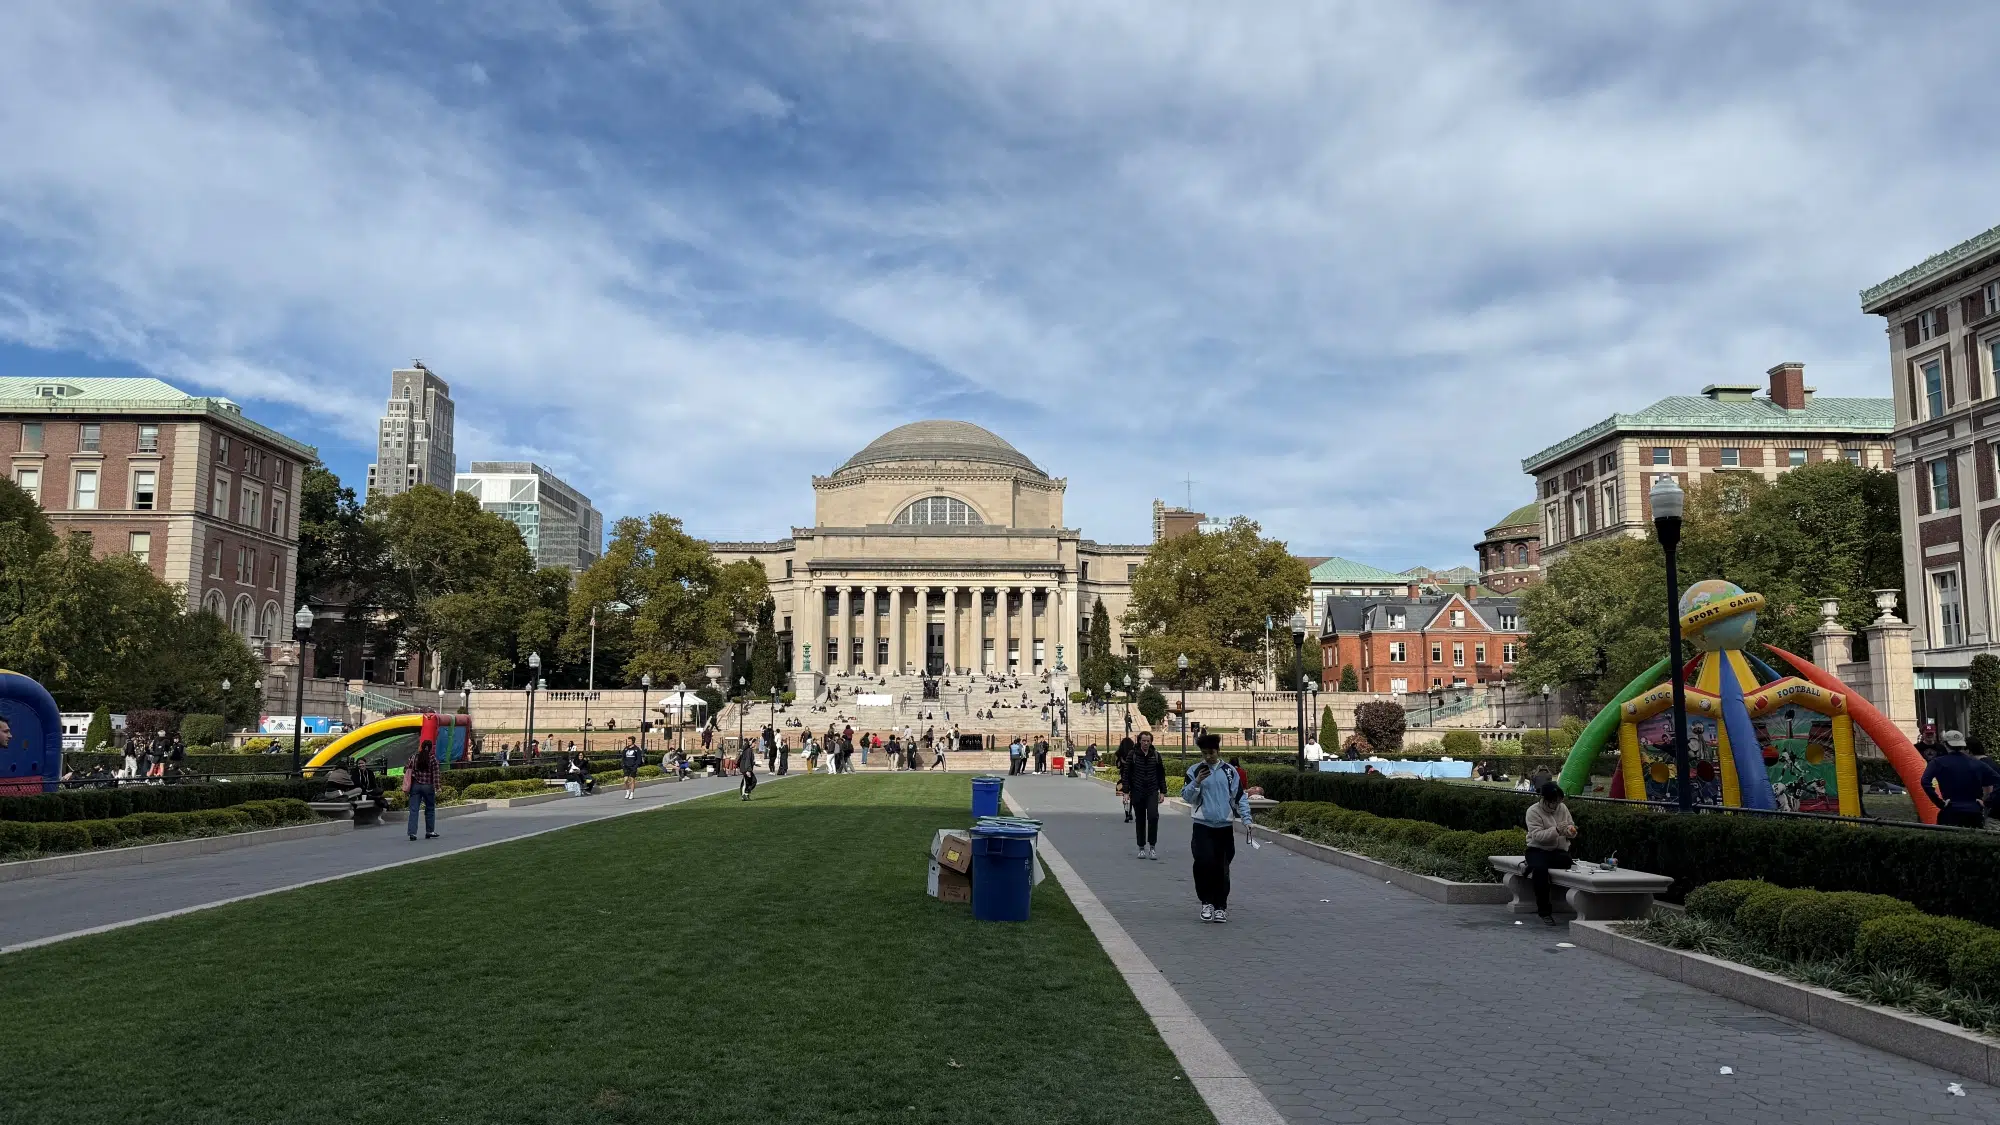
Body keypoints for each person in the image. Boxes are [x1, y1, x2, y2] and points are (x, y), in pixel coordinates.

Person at [1182, 733, 1254, 922]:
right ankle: (1206, 902)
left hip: (1224, 826)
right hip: (1202, 826)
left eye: (1211, 753)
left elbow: (1239, 797)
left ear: (1218, 751)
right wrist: (1197, 781)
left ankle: (1220, 906)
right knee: (1203, 863)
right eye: (1204, 753)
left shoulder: (1230, 771)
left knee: (1222, 867)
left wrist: (1246, 819)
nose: (1208, 757)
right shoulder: (1194, 770)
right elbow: (1187, 797)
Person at [1921, 730, 1999, 829]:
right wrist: (1987, 802)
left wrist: (1939, 802)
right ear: (1963, 745)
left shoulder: (1937, 763)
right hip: (1974, 811)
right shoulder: (1978, 764)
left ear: (1945, 744)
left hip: (1950, 809)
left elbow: (1925, 781)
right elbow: (1997, 780)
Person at [1524, 782, 1578, 923]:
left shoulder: (1562, 808)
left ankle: (1531, 865)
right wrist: (1557, 830)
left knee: (1567, 861)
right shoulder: (1533, 811)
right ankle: (1544, 911)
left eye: (1559, 802)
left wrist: (1570, 831)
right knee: (1540, 871)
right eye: (1553, 802)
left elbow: (1569, 824)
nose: (1556, 805)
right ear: (1545, 800)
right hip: (1537, 849)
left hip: (1557, 851)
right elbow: (1537, 836)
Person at [1127, 731, 1168, 860]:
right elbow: (1126, 774)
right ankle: (1141, 847)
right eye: (1143, 740)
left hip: (1151, 791)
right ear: (1139, 741)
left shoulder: (1155, 755)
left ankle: (1152, 846)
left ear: (1151, 742)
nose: (1145, 743)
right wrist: (1126, 792)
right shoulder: (1132, 755)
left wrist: (1162, 792)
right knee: (1140, 819)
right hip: (1137, 791)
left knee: (1153, 816)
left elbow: (1161, 774)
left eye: (1148, 741)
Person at [406, 738, 442, 842]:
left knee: (414, 810)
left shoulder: (414, 757)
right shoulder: (433, 759)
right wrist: (438, 787)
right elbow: (435, 775)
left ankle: (412, 833)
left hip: (415, 786)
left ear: (421, 747)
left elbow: (406, 769)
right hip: (428, 787)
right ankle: (429, 831)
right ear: (431, 748)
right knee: (430, 808)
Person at [1114, 736, 1136, 821]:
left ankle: (1127, 813)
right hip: (1134, 777)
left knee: (1125, 795)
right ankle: (1130, 811)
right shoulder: (1134, 753)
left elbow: (1118, 766)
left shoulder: (1119, 754)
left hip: (1124, 778)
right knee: (1133, 796)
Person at [620, 735, 645, 800]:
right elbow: (623, 757)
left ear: (633, 741)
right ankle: (627, 791)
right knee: (625, 780)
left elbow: (639, 759)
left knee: (632, 780)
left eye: (629, 741)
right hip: (626, 767)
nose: (628, 742)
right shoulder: (626, 748)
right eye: (628, 741)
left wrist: (636, 766)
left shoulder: (637, 749)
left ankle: (632, 793)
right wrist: (623, 764)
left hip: (633, 767)